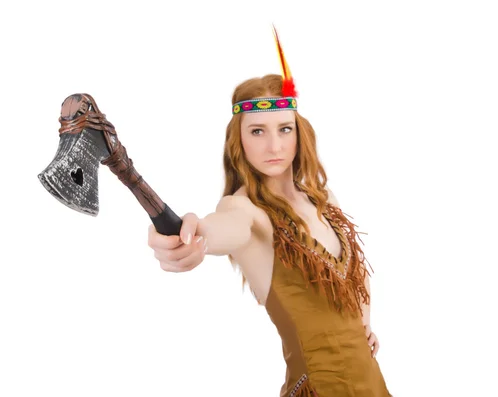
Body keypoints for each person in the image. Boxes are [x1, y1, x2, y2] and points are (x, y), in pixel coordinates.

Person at [147, 30, 392, 397]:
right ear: (239, 139)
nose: (274, 145)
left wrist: (364, 321)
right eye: (258, 131)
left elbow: (357, 274)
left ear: (299, 133)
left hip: (373, 384)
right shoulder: (247, 212)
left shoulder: (325, 200)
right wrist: (189, 233)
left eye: (284, 129)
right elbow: (221, 228)